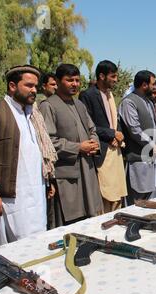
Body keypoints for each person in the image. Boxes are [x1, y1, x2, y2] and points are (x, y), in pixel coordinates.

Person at [0, 65, 57, 248]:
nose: (34, 90)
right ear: (12, 86)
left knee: (36, 242)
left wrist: (47, 181)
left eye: (36, 86)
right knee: (9, 247)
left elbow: (37, 153)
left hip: (35, 194)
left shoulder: (32, 115)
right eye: (29, 85)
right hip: (9, 198)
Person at [40, 64, 104, 229]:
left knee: (90, 219)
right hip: (67, 173)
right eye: (69, 80)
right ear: (58, 81)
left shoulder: (79, 104)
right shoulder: (48, 106)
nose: (74, 84)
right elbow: (48, 141)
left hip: (87, 169)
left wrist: (94, 143)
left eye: (77, 80)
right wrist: (78, 147)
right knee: (69, 222)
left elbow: (92, 129)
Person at [79, 60, 128, 212]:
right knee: (106, 195)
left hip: (115, 149)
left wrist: (116, 134)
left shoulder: (111, 95)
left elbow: (116, 119)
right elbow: (87, 125)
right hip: (103, 151)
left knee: (117, 193)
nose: (115, 80)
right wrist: (111, 133)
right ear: (102, 76)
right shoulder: (88, 95)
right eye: (113, 76)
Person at [119, 71, 156, 205]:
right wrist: (152, 144)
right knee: (136, 200)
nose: (154, 87)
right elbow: (135, 129)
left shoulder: (149, 102)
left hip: (150, 158)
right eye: (152, 84)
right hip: (137, 159)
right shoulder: (129, 102)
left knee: (146, 197)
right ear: (144, 85)